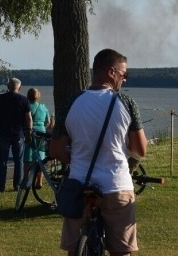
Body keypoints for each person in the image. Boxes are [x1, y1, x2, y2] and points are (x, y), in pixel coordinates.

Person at [50, 49, 147, 256]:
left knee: (74, 248)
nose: (125, 80)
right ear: (112, 72)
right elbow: (140, 149)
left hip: (79, 185)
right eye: (124, 74)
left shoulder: (71, 102)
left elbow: (56, 149)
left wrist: (76, 158)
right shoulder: (126, 103)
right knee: (122, 251)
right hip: (116, 186)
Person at [0, 77, 32, 192]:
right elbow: (28, 118)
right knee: (18, 161)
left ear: (8, 87)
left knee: (2, 160)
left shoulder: (1, 98)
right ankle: (17, 185)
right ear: (20, 87)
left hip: (4, 133)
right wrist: (29, 131)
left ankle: (1, 186)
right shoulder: (24, 100)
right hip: (18, 134)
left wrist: (2, 111)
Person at [24, 87, 53, 189]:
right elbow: (48, 122)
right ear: (38, 96)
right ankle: (39, 180)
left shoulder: (26, 106)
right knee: (40, 158)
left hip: (30, 132)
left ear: (28, 96)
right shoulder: (43, 107)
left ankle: (25, 179)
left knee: (27, 157)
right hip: (41, 132)